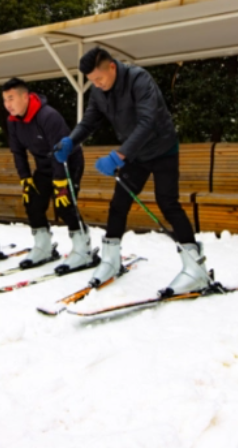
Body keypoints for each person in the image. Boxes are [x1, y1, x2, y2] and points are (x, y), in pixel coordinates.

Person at [54, 47, 211, 297]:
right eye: (92, 81)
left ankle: (195, 268)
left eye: (99, 78)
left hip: (162, 149)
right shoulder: (99, 91)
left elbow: (148, 121)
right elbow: (89, 121)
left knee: (167, 202)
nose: (96, 84)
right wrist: (71, 141)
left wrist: (119, 155)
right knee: (118, 204)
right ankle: (111, 260)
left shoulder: (139, 79)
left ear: (112, 67)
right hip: (135, 155)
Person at [2, 78, 91, 272]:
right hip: (44, 166)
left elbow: (61, 151)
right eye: (5, 100)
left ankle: (83, 250)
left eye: (11, 98)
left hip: (68, 162)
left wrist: (60, 184)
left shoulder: (48, 116)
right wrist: (25, 178)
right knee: (32, 202)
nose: (8, 105)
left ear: (25, 97)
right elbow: (18, 152)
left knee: (65, 204)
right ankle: (43, 247)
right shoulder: (13, 122)